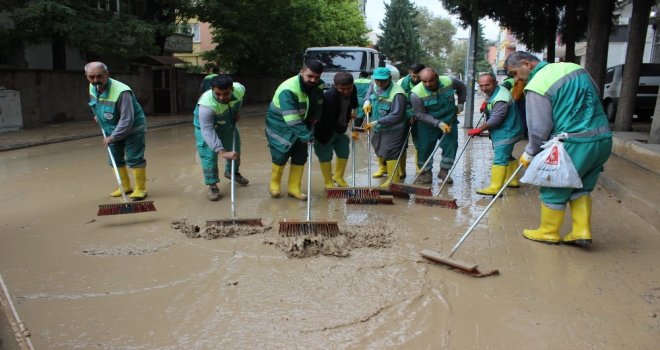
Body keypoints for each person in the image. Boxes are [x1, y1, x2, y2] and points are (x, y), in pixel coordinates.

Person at [505, 51, 612, 246]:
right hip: (602, 139)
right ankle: (581, 230)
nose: (516, 78)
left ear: (526, 64)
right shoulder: (575, 68)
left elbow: (539, 128)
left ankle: (548, 231)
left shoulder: (537, 85)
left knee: (553, 184)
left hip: (572, 142)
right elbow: (594, 93)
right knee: (581, 185)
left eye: (515, 72)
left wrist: (530, 152)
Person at [85, 62, 149, 201]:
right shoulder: (92, 86)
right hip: (111, 127)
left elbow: (127, 119)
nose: (95, 80)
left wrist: (113, 137)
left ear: (107, 74)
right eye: (91, 77)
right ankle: (125, 186)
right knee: (114, 158)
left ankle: (140, 189)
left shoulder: (122, 91)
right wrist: (98, 114)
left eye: (99, 76)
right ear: (87, 77)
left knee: (134, 157)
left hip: (133, 128)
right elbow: (95, 103)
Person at [265, 59, 324, 200]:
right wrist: (307, 136)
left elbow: (319, 101)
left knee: (300, 155)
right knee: (280, 154)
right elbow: (292, 119)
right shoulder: (289, 89)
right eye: (309, 76)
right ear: (301, 72)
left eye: (316, 77)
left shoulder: (318, 85)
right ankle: (274, 184)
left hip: (302, 123)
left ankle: (293, 188)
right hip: (280, 126)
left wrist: (316, 114)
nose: (313, 80)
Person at [193, 74, 247, 201]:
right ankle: (212, 185)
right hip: (205, 127)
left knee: (234, 151)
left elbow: (239, 100)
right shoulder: (206, 105)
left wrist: (236, 112)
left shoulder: (239, 89)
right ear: (212, 90)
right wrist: (222, 152)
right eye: (217, 94)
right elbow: (208, 130)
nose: (222, 97)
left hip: (226, 122)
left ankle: (232, 173)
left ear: (232, 90)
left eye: (226, 94)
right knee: (209, 155)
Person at [468, 73, 523, 195]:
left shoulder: (501, 99)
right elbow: (491, 97)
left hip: (506, 132)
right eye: (481, 86)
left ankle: (495, 187)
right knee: (507, 155)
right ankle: (512, 180)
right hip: (509, 129)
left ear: (495, 83)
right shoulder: (498, 90)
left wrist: (480, 129)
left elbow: (495, 120)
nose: (484, 88)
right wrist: (487, 103)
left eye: (487, 85)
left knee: (500, 158)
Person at [409, 68, 466, 184]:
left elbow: (462, 88)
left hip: (449, 120)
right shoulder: (416, 93)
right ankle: (426, 173)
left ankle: (444, 171)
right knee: (424, 148)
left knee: (451, 145)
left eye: (431, 81)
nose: (428, 84)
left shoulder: (449, 81)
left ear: (437, 77)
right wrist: (438, 123)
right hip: (426, 125)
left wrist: (461, 103)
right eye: (424, 81)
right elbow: (419, 114)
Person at [363, 67, 407, 188]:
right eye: (377, 80)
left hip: (394, 127)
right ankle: (383, 169)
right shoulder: (374, 83)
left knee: (390, 151)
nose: (380, 83)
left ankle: (394, 180)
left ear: (390, 79)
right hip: (377, 124)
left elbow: (396, 115)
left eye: (383, 81)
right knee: (378, 147)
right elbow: (369, 92)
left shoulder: (398, 94)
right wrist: (366, 101)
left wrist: (377, 122)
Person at [314, 72, 357, 188]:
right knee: (325, 155)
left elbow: (353, 101)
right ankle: (328, 182)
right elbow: (329, 121)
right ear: (335, 85)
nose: (347, 91)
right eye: (342, 89)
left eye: (349, 88)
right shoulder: (330, 97)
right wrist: (348, 132)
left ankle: (338, 177)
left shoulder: (353, 89)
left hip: (342, 127)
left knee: (344, 151)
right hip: (324, 130)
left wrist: (354, 110)